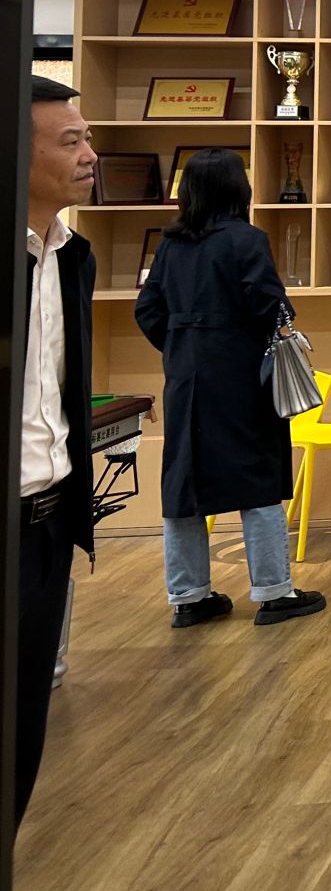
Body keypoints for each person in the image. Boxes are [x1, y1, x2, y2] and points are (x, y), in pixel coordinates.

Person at [134, 149, 325, 628]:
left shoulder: (171, 245)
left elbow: (148, 310)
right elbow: (269, 306)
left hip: (185, 376)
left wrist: (181, 345)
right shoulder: (247, 239)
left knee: (183, 481)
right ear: (239, 188)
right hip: (240, 373)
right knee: (256, 475)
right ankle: (275, 591)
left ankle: (189, 597)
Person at [17, 77, 98, 824]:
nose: (89, 155)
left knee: (23, 737)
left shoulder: (75, 257)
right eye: (70, 141)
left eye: (87, 138)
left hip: (48, 525)